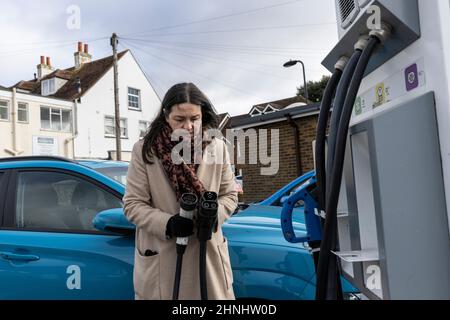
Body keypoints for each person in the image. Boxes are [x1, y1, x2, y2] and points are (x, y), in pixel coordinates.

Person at [123, 82, 238, 300]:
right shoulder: (145, 149)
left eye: (195, 118)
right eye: (180, 119)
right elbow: (132, 204)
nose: (189, 126)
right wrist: (167, 223)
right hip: (165, 259)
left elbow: (230, 195)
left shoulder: (217, 146)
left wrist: (215, 216)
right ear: (166, 115)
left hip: (207, 258)